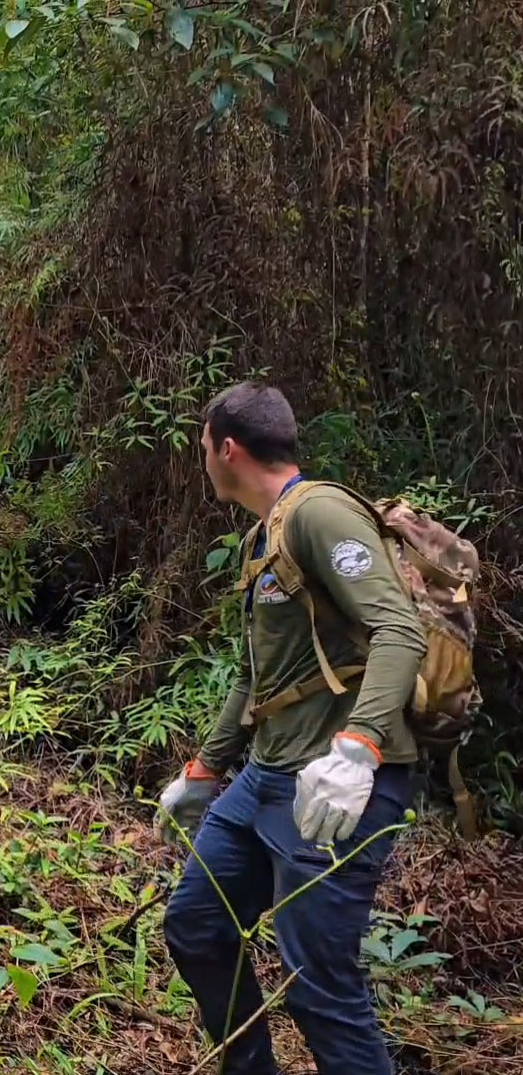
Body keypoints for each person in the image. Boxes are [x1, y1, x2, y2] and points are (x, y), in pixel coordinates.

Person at [155, 382, 425, 1075]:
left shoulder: (321, 513)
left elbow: (399, 628)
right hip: (265, 778)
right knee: (197, 925)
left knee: (318, 988)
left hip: (334, 785)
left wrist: (359, 748)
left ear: (228, 448)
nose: (203, 461)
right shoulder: (263, 535)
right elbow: (258, 675)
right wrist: (205, 772)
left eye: (203, 448)